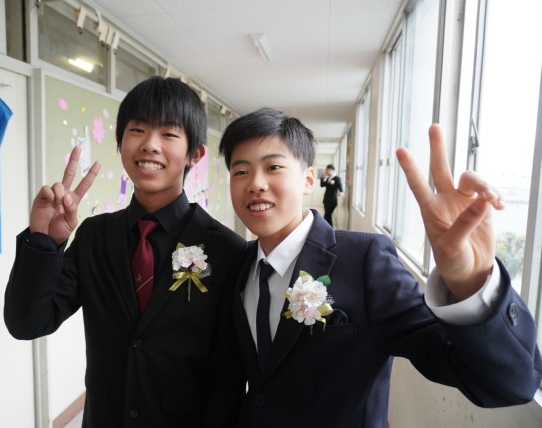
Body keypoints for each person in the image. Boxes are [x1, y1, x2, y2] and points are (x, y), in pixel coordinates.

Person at [218, 107, 542, 428]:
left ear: (308, 180)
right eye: (241, 172)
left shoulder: (365, 260)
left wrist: (470, 283)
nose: (256, 184)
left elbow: (507, 384)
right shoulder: (238, 265)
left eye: (273, 167)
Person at [4, 76, 247, 428]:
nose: (149, 145)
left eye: (168, 134)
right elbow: (27, 322)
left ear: (195, 154)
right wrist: (44, 240)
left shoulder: (226, 250)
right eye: (137, 130)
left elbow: (228, 376)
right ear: (120, 142)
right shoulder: (94, 236)